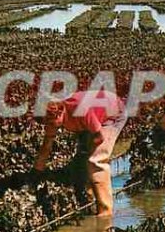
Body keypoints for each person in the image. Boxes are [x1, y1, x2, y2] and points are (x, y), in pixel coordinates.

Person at [33, 89, 127, 217]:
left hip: (113, 114)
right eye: (46, 123)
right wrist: (37, 172)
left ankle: (105, 211)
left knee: (95, 160)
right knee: (83, 160)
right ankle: (90, 198)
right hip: (91, 119)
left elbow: (99, 137)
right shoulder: (52, 117)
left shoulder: (80, 109)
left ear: (60, 111)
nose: (51, 126)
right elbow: (46, 146)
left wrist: (87, 150)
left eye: (51, 122)